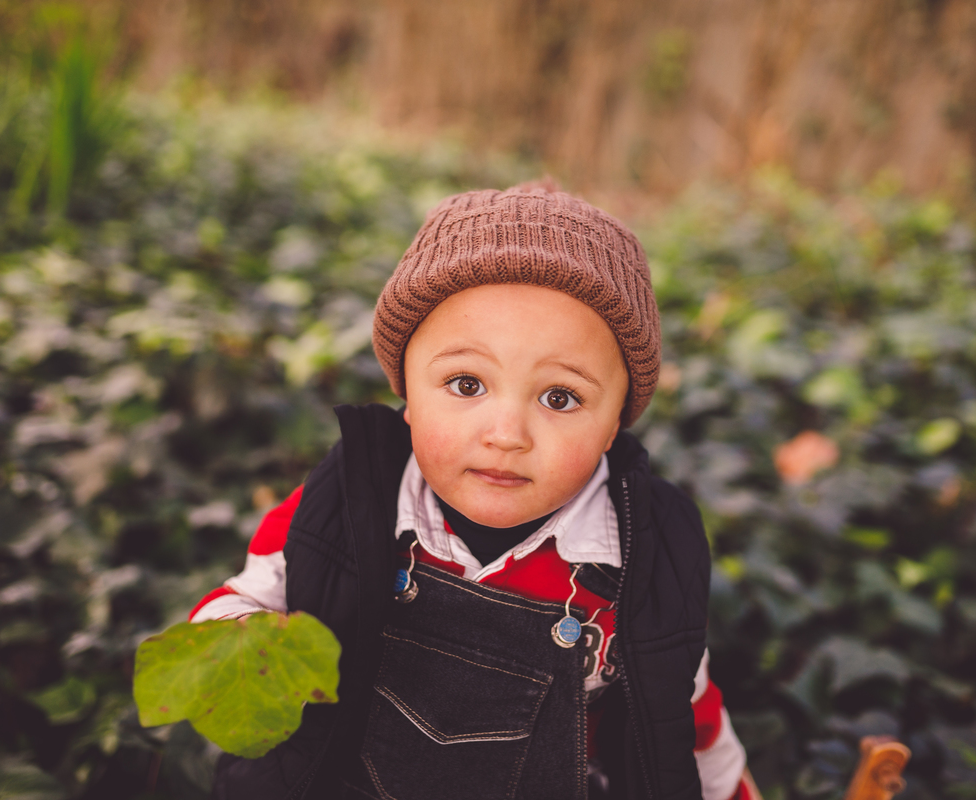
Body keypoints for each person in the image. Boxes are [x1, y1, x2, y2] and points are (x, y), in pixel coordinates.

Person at [190, 181, 758, 800]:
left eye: (560, 397)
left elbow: (685, 717)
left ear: (614, 424)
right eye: (466, 384)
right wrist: (247, 643)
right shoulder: (346, 500)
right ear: (407, 393)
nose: (506, 434)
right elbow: (240, 599)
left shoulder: (643, 559)